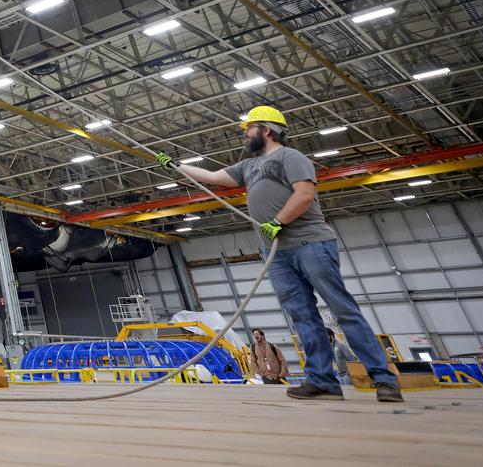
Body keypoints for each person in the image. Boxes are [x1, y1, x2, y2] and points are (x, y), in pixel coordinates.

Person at [156, 105, 403, 402]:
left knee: (343, 310)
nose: (245, 134)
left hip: (310, 244)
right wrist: (176, 166)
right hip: (277, 252)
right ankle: (323, 381)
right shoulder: (248, 166)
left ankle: (384, 379)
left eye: (249, 128)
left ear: (266, 129)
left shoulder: (291, 157)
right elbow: (213, 176)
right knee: (302, 316)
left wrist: (278, 222)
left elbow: (304, 194)